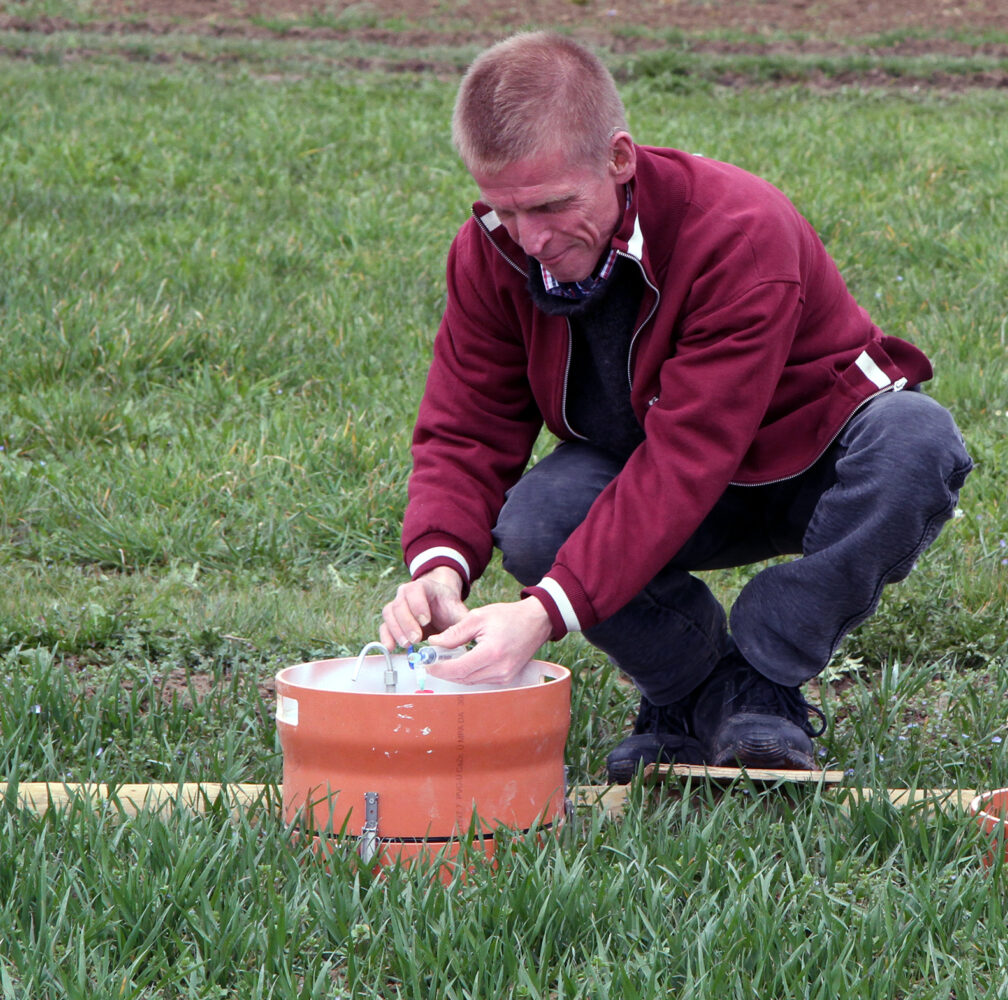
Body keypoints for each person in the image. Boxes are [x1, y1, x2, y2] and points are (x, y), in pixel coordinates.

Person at [379, 31, 973, 782]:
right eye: (505, 209)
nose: (530, 239)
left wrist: (541, 614)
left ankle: (766, 678)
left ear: (619, 160)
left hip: (802, 465)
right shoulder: (490, 252)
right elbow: (466, 427)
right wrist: (439, 563)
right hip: (655, 474)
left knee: (917, 441)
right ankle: (692, 691)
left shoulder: (738, 231)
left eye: (553, 205)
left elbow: (689, 454)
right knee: (536, 520)